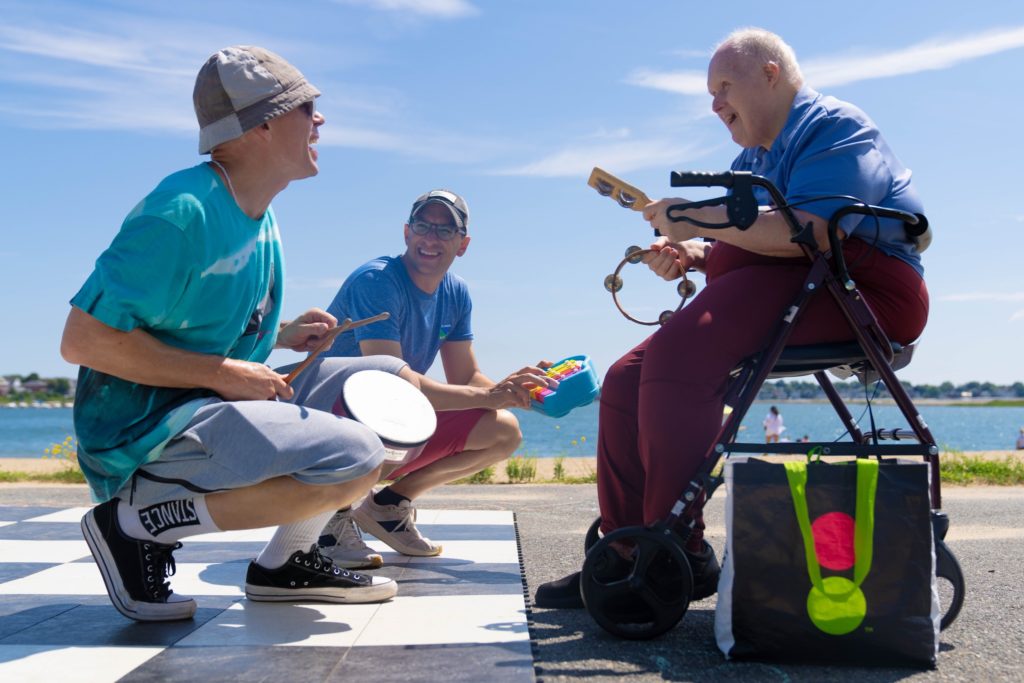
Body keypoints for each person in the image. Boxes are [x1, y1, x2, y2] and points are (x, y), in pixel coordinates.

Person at [60, 46, 543, 623]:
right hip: (146, 427)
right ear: (261, 125)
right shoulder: (181, 211)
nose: (320, 120)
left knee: (387, 382)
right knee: (358, 455)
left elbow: (198, 332)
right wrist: (221, 374)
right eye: (305, 108)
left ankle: (283, 565)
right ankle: (132, 524)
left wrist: (283, 336)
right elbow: (83, 342)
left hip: (201, 401)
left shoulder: (258, 212)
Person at [535, 27, 930, 609]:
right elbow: (749, 240)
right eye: (710, 92)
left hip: (864, 289)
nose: (714, 104)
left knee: (676, 359)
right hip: (794, 279)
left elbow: (814, 231)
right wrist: (691, 252)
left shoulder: (837, 127)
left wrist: (695, 221)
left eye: (724, 87)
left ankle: (670, 545)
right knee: (624, 378)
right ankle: (627, 551)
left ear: (771, 74)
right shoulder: (753, 159)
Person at [315, 189, 549, 567]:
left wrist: (513, 391)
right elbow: (392, 383)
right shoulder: (376, 281)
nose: (431, 238)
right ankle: (328, 512)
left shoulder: (455, 293)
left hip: (381, 411)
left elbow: (466, 374)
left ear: (463, 244)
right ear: (407, 233)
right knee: (388, 420)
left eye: (445, 230)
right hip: (327, 417)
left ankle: (388, 507)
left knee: (503, 429)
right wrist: (489, 395)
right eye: (423, 226)